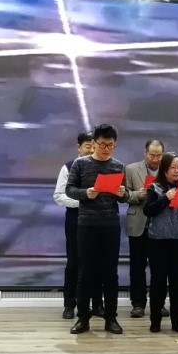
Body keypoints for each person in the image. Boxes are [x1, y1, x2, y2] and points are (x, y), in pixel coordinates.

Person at [65, 123, 130, 335]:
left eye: (110, 145)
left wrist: (122, 193)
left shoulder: (118, 166)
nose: (106, 149)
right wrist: (86, 193)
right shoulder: (80, 164)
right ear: (93, 143)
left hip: (110, 224)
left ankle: (111, 318)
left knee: (110, 273)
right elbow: (69, 189)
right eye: (102, 144)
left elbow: (126, 197)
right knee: (86, 272)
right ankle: (83, 318)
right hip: (87, 224)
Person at [143, 152, 178, 333]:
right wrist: (165, 198)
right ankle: (155, 320)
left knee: (177, 282)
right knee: (158, 281)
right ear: (165, 170)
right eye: (173, 167)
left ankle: (177, 321)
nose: (177, 171)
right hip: (159, 240)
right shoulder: (155, 187)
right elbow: (148, 210)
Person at [53, 129, 104, 320]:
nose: (91, 150)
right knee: (74, 262)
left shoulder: (102, 167)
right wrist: (83, 202)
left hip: (98, 220)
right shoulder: (68, 167)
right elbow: (59, 196)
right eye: (87, 146)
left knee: (97, 263)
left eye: (94, 146)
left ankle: (97, 304)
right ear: (79, 147)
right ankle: (69, 304)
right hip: (76, 219)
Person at [124, 139, 165, 318]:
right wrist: (137, 194)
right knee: (137, 267)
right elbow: (123, 194)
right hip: (138, 222)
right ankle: (138, 303)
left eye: (159, 155)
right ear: (145, 153)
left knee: (160, 268)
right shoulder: (131, 169)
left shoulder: (168, 170)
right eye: (152, 155)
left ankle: (159, 304)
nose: (155, 159)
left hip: (161, 223)